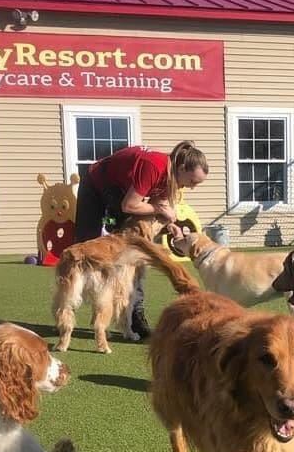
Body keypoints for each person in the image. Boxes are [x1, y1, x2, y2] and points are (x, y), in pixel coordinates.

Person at [74, 141, 209, 339]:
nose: (192, 187)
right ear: (181, 168)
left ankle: (133, 317)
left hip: (120, 191)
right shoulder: (154, 167)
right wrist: (159, 210)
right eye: (192, 181)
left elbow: (158, 207)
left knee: (135, 251)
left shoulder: (171, 178)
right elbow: (129, 205)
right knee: (88, 250)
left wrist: (169, 222)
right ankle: (91, 309)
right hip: (96, 185)